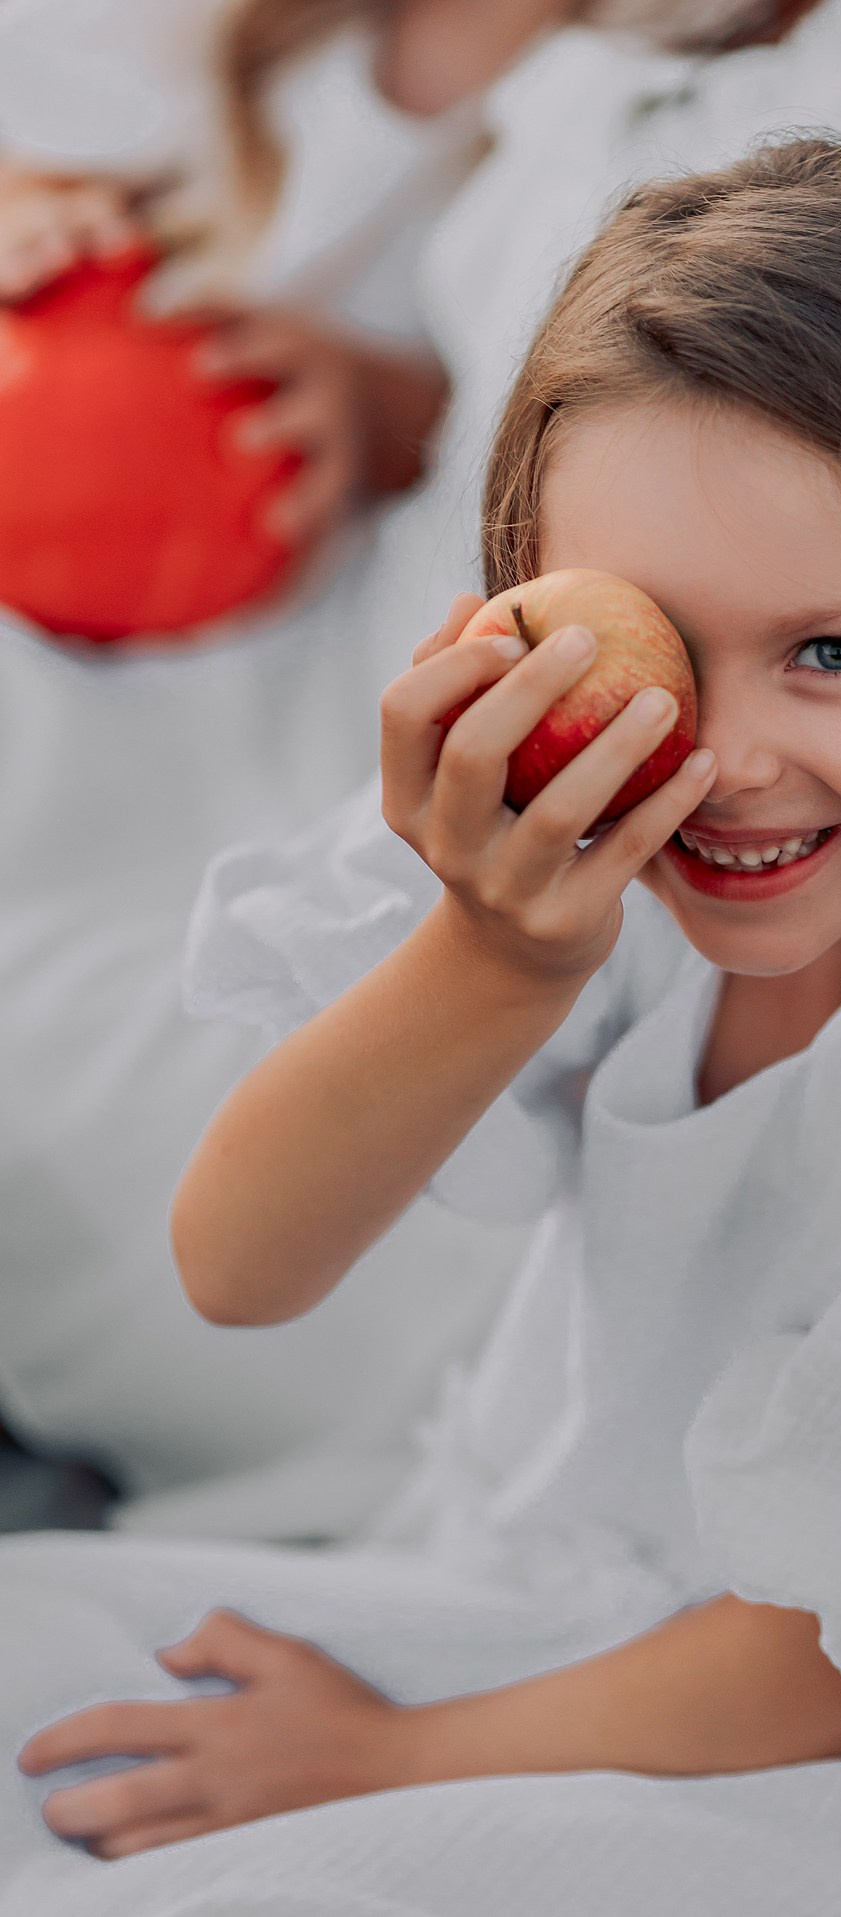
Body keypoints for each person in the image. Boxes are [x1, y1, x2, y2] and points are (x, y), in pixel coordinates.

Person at [0, 136, 841, 1914]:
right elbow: (240, 1263)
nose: (726, 759)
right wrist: (490, 958)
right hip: (585, 1623)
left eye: (831, 653)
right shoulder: (580, 859)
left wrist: (382, 1758)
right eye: (648, 643)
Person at [0, 0, 759, 1537]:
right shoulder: (191, 44)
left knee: (173, 1071)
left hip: (361, 638)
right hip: (120, 655)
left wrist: (376, 406)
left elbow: (547, 395)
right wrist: (35, 225)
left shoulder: (638, 76)